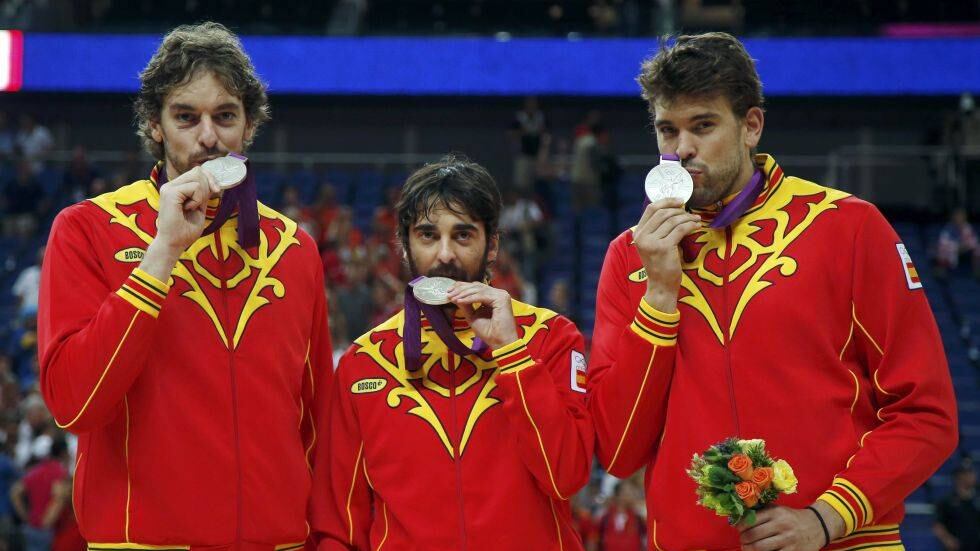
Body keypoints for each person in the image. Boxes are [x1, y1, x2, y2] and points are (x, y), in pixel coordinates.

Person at [588, 32, 958, 550]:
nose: (681, 149)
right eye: (667, 130)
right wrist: (659, 297)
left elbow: (927, 413)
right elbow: (620, 450)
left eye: (703, 125)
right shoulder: (631, 258)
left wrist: (826, 518)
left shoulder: (849, 227)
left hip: (843, 541)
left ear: (751, 126)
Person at [38, 22, 332, 549]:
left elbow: (319, 424)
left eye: (225, 116)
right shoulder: (87, 229)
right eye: (186, 117)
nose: (208, 137)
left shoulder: (296, 249)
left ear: (249, 125)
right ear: (155, 124)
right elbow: (73, 404)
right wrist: (162, 252)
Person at [311, 156, 593, 550]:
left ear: (492, 245)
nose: (445, 254)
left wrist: (512, 353)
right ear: (404, 245)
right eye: (428, 236)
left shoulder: (551, 338)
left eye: (463, 235)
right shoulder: (364, 363)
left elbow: (567, 476)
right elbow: (338, 527)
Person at [10, 436, 70, 551]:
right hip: (49, 529)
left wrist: (25, 516)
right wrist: (47, 521)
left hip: (31, 526)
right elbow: (59, 497)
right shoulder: (60, 472)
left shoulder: (36, 471)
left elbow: (15, 492)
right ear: (64, 453)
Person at [934, 460, 980, 551]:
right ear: (958, 477)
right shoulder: (947, 501)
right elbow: (938, 525)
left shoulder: (977, 499)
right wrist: (947, 540)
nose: (971, 476)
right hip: (957, 547)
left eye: (971, 473)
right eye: (966, 474)